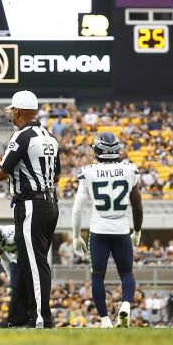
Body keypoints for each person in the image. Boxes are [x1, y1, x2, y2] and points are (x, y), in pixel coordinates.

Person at [0, 89, 60, 329]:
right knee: (26, 261)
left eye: (12, 109)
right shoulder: (49, 135)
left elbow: (0, 174)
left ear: (19, 111)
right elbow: (58, 175)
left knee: (34, 263)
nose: (10, 113)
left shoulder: (21, 136)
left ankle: (42, 317)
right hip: (50, 202)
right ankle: (18, 316)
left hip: (31, 204)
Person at [71, 131, 143, 328]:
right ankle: (126, 305)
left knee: (97, 277)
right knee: (127, 274)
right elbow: (137, 206)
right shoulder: (129, 170)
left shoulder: (88, 172)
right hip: (121, 229)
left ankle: (105, 320)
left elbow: (77, 209)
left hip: (99, 230)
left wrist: (76, 235)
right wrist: (136, 231)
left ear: (97, 150)